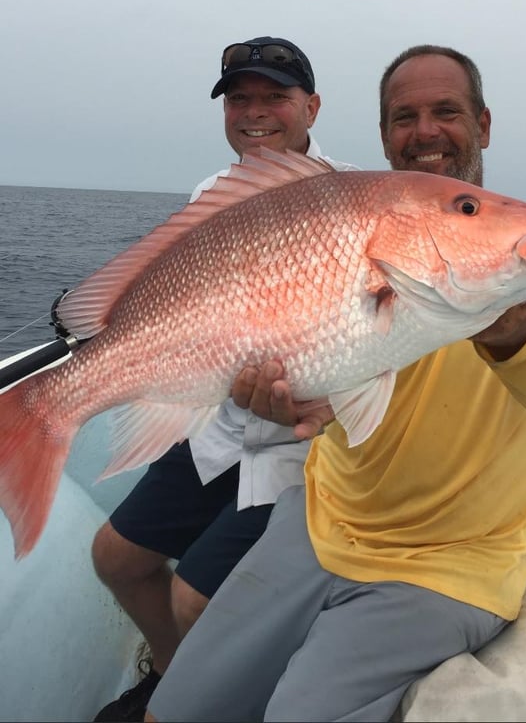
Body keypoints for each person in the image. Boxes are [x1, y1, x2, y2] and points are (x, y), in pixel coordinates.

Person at [145, 44, 526, 723]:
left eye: (446, 112)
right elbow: (340, 396)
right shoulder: (362, 249)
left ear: (483, 125)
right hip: (318, 522)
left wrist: (517, 342)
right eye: (405, 116)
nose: (425, 130)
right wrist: (294, 403)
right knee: (170, 713)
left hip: (450, 566)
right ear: (384, 135)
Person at [91, 36, 356, 722]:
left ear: (313, 106)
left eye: (275, 97)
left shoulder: (350, 200)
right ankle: (174, 675)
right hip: (221, 428)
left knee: (195, 596)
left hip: (302, 454)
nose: (255, 112)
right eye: (240, 99)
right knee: (116, 558)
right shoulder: (213, 193)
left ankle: (216, 703)